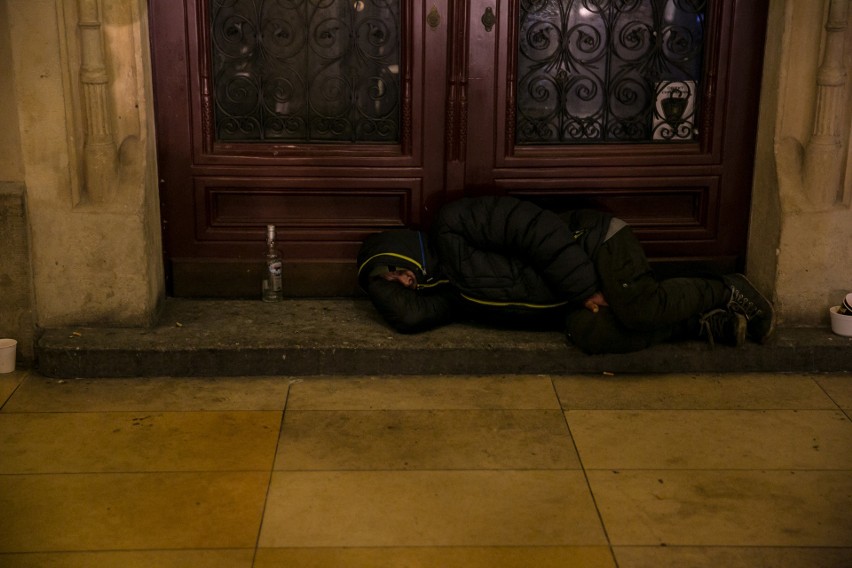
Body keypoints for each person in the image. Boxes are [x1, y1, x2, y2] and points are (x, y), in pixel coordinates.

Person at [357, 195, 775, 354]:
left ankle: (726, 289)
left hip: (595, 243)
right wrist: (377, 282)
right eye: (393, 284)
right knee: (592, 336)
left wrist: (587, 287)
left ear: (404, 250)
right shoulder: (448, 296)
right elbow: (409, 318)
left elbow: (533, 228)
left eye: (397, 270)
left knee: (634, 306)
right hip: (572, 304)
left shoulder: (452, 225)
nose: (403, 282)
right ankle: (700, 323)